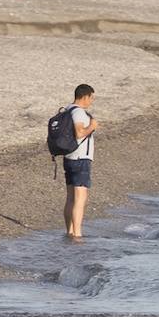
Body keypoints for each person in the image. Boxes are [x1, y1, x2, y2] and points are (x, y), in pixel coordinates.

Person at [62, 83, 100, 238]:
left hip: (69, 157)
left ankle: (69, 231)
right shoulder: (78, 113)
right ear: (85, 96)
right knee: (80, 198)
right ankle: (77, 234)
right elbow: (79, 133)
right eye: (92, 98)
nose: (92, 101)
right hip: (80, 158)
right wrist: (92, 126)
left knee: (71, 197)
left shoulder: (67, 109)